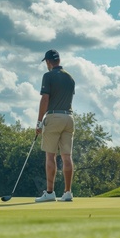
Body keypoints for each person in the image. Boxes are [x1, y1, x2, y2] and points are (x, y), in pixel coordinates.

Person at [35, 49, 75, 202]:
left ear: (48, 62)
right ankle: (67, 192)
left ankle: (50, 192)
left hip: (54, 117)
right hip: (69, 118)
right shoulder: (70, 78)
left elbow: (45, 99)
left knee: (50, 155)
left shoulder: (48, 76)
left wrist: (39, 122)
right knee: (67, 156)